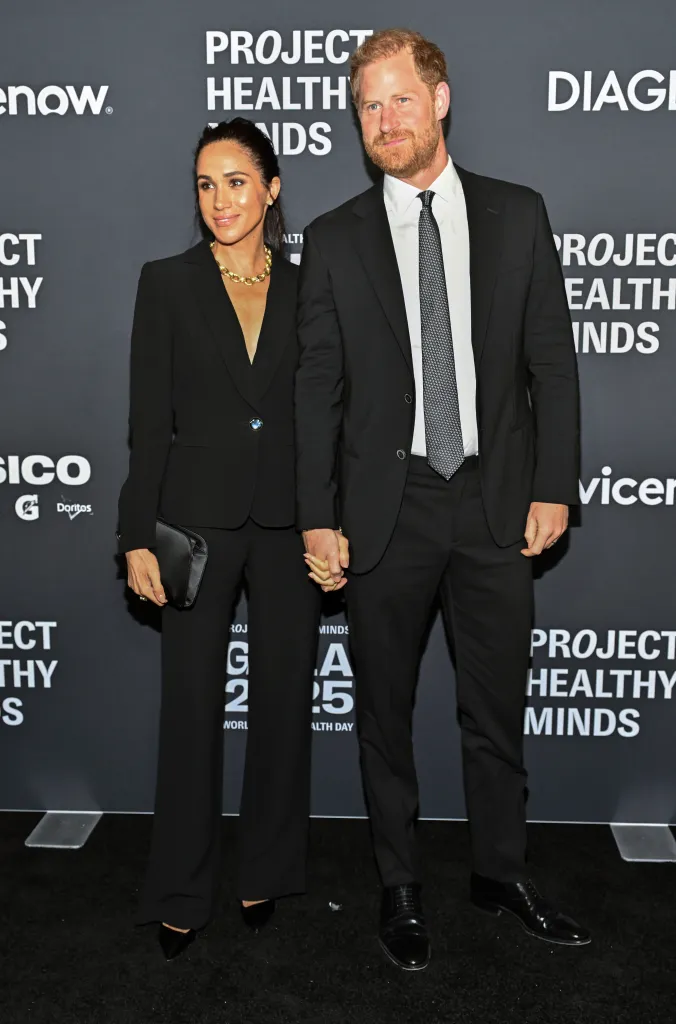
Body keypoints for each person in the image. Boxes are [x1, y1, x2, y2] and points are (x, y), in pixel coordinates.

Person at [296, 29, 589, 971]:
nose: (383, 121)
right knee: (382, 713)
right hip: (388, 506)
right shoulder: (337, 236)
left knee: (496, 707)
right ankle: (401, 886)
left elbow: (552, 360)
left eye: (399, 100)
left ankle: (500, 873)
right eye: (368, 106)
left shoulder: (517, 212)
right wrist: (316, 512)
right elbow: (318, 390)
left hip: (496, 498)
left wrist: (554, 487)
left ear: (442, 99)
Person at [117, 118, 320, 960]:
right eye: (205, 184)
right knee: (190, 710)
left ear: (271, 190)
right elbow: (147, 426)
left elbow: (329, 414)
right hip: (191, 527)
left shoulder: (315, 286)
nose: (220, 201)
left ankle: (265, 869)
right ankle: (180, 887)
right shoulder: (165, 282)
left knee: (282, 707)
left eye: (237, 181)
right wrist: (135, 536)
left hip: (288, 523)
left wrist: (328, 517)